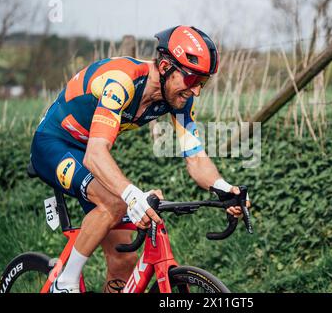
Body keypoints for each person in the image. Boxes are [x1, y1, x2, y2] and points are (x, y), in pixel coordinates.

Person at [30, 25, 250, 293]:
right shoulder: (121, 81)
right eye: (192, 80)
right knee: (114, 202)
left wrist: (224, 188)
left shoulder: (177, 98)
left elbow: (196, 158)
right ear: (167, 66)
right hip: (54, 143)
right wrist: (132, 195)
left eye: (203, 83)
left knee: (124, 258)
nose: (197, 92)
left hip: (89, 150)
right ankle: (64, 284)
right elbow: (96, 154)